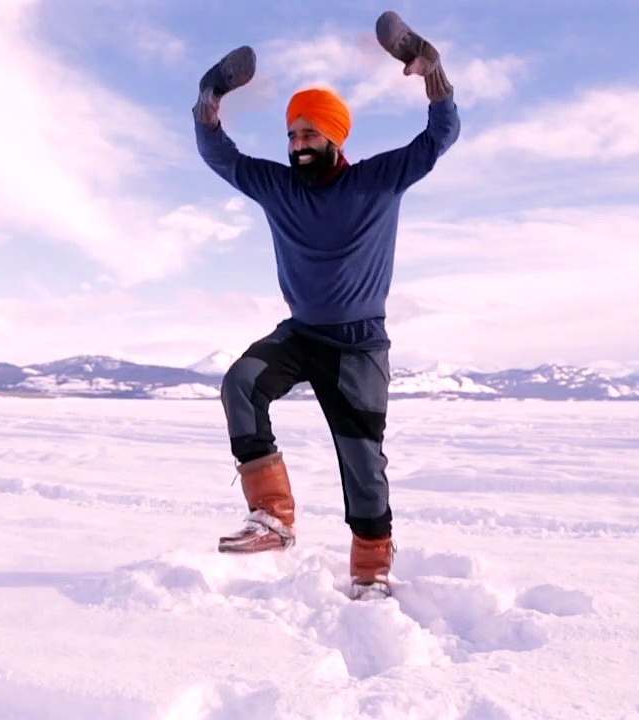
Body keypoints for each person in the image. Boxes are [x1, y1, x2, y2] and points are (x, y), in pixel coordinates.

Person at [193, 11, 460, 596]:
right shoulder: (277, 187)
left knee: (362, 460)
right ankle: (272, 516)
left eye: (309, 134)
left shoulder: (377, 180)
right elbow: (220, 156)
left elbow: (439, 136)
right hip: (302, 334)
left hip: (359, 345)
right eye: (292, 135)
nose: (298, 145)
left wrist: (433, 73)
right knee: (241, 384)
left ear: (335, 137)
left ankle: (371, 569)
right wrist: (208, 100)